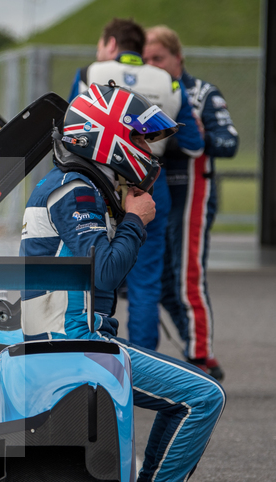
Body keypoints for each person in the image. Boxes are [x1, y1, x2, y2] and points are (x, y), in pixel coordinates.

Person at [21, 82, 225, 482]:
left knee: (193, 393)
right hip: (75, 348)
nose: (145, 150)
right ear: (104, 139)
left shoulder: (79, 184)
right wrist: (136, 220)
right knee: (203, 396)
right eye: (137, 139)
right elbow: (107, 270)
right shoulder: (76, 190)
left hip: (76, 342)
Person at [69, 18, 204, 352]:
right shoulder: (169, 81)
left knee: (90, 273)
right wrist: (147, 138)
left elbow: (72, 130)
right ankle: (143, 364)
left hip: (96, 185)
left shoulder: (90, 73)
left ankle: (94, 353)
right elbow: (193, 144)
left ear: (111, 44)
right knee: (146, 282)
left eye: (101, 44)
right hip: (147, 186)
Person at [144, 26, 239, 381]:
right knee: (161, 281)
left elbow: (229, 143)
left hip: (193, 195)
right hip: (151, 195)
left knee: (187, 277)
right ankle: (191, 346)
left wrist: (191, 129)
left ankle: (202, 356)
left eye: (159, 58)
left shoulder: (202, 93)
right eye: (146, 59)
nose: (152, 65)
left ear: (177, 58)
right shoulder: (139, 89)